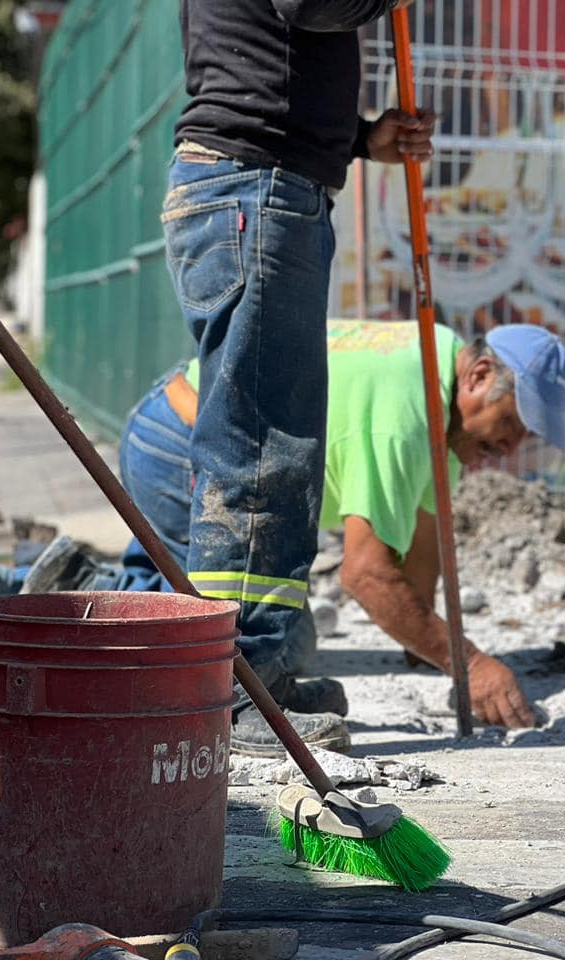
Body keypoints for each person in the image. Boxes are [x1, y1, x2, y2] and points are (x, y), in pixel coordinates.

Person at [0, 322, 565, 756]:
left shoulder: (435, 369)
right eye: (514, 425)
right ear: (477, 376)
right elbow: (367, 576)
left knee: (214, 609)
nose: (511, 450)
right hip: (185, 447)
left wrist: (430, 646)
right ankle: (80, 599)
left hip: (184, 424)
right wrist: (468, 664)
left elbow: (419, 541)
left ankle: (78, 589)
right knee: (284, 636)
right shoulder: (409, 415)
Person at [162, 1, 435, 733]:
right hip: (256, 189)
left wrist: (353, 138)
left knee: (274, 445)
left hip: (260, 185)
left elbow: (260, 51)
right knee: (260, 448)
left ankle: (259, 671)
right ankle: (235, 685)